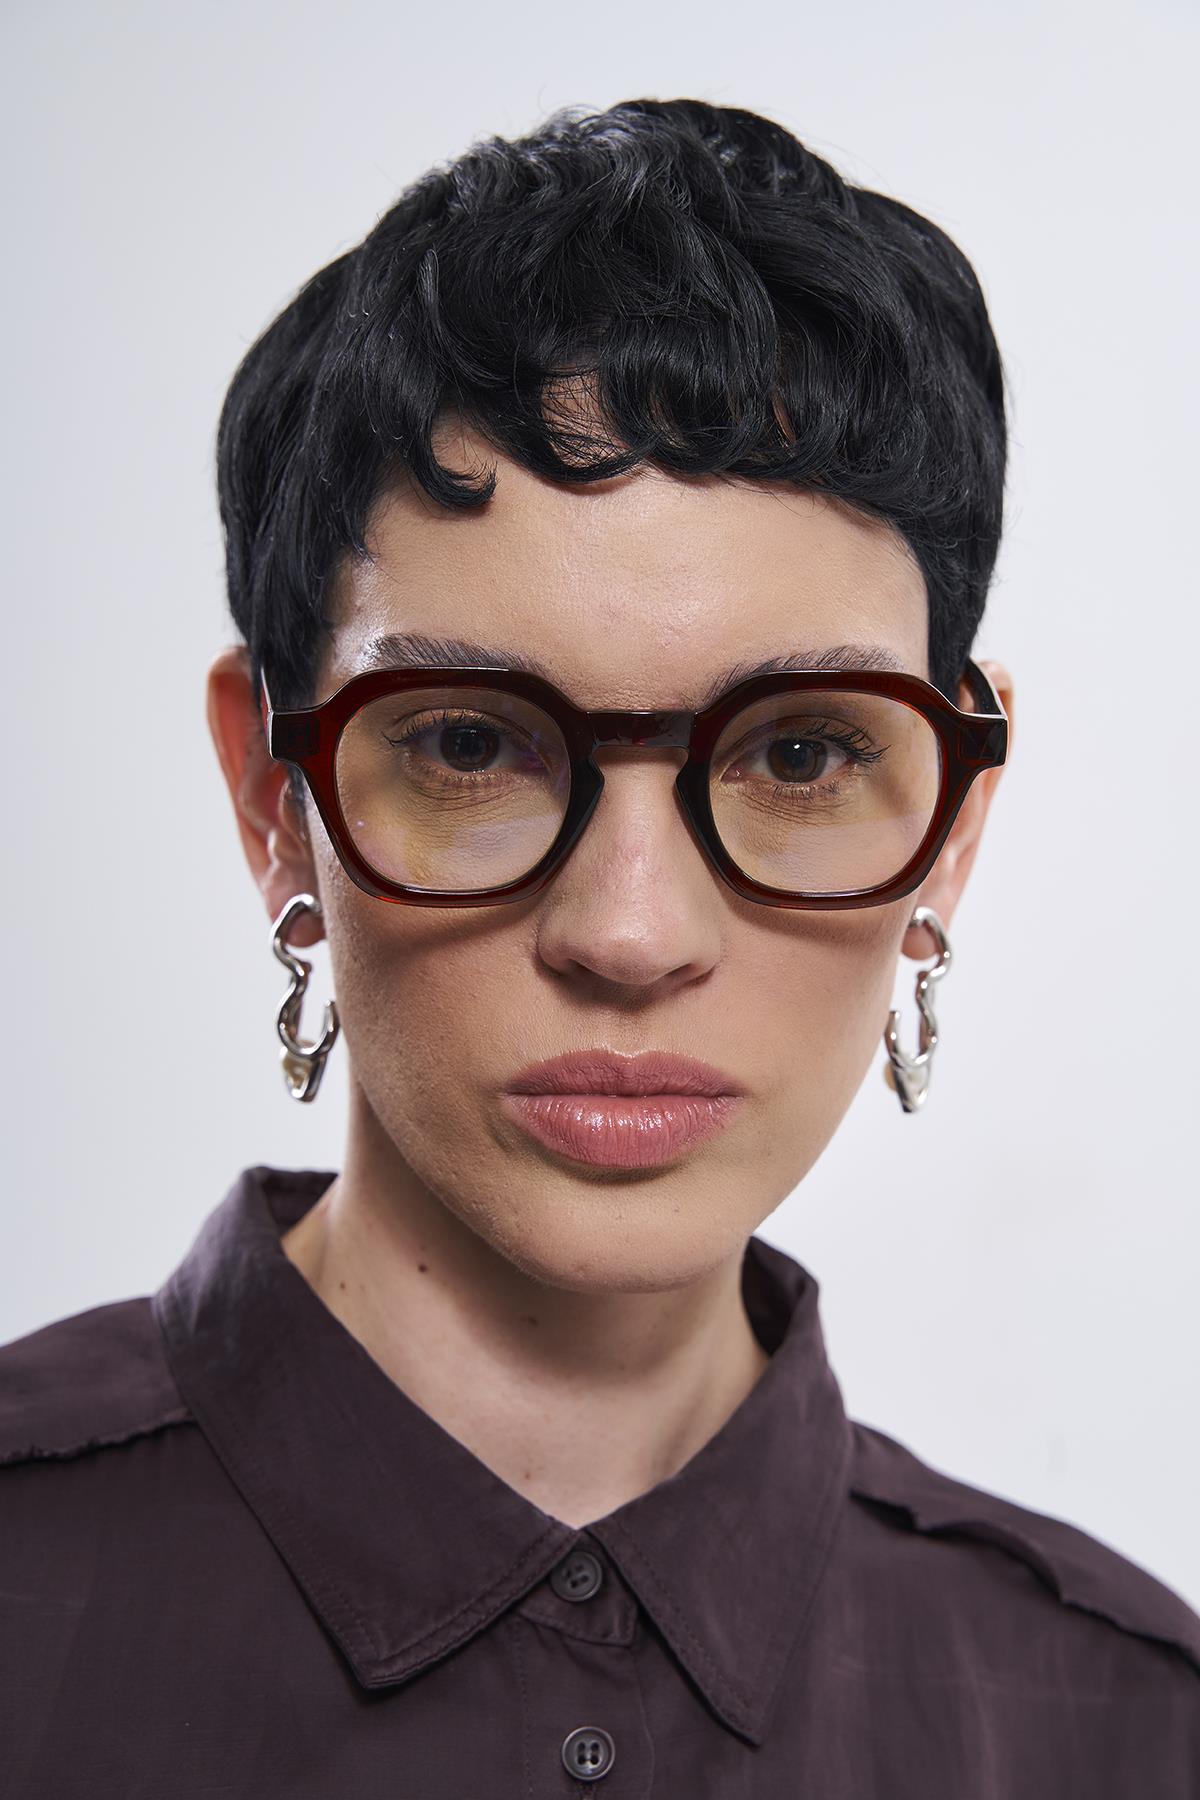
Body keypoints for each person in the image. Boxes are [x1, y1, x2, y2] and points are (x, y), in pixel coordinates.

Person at [2, 96, 1196, 1796]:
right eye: (471, 744)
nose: (631, 934)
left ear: (955, 825)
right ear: (276, 797)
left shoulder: (1131, 1730)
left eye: (801, 753)